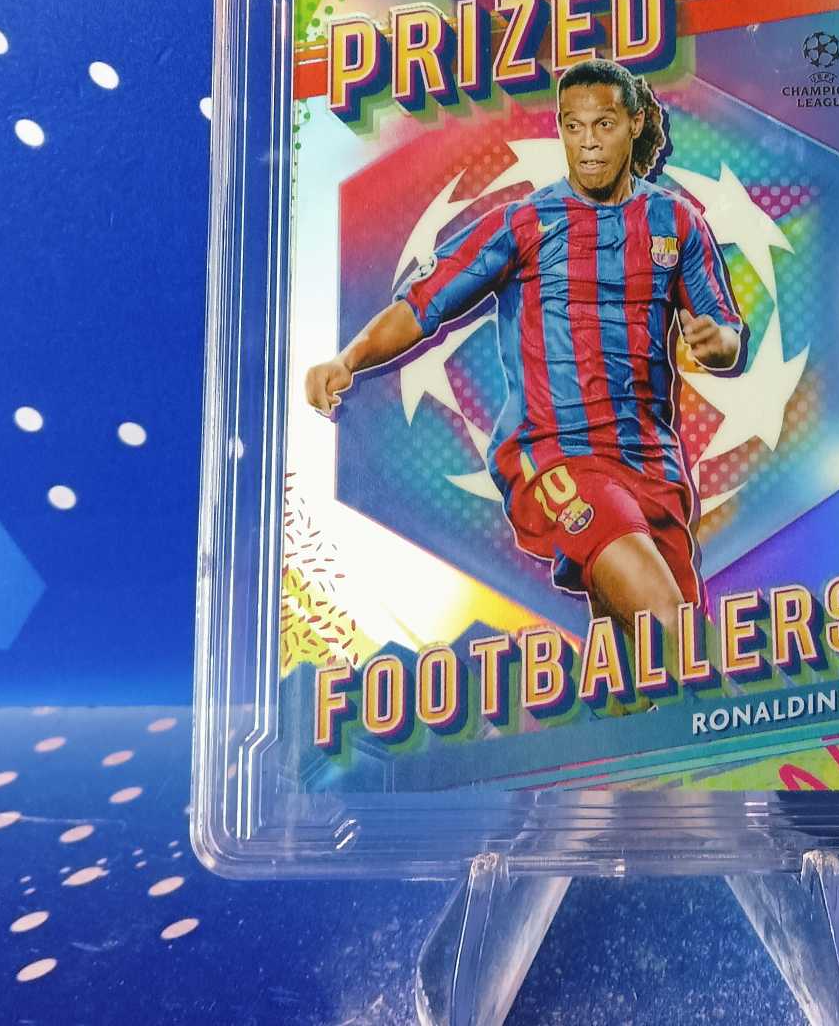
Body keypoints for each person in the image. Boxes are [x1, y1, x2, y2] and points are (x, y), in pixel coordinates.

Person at [304, 57, 742, 635]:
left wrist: (716, 343)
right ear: (560, 128)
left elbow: (724, 330)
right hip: (557, 454)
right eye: (573, 126)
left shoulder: (676, 222)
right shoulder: (525, 223)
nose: (587, 143)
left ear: (634, 124)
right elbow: (423, 304)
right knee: (669, 627)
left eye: (604, 124)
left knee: (653, 662)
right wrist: (347, 359)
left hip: (654, 465)